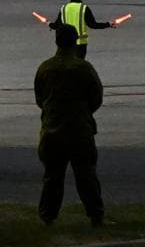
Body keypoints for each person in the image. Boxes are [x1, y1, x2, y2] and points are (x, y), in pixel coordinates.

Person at [35, 24, 106, 226]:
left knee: (52, 177)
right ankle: (96, 215)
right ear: (75, 42)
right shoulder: (84, 68)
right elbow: (96, 97)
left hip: (52, 130)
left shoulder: (45, 68)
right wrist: (82, 112)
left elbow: (40, 98)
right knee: (86, 176)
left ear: (56, 41)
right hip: (79, 130)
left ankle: (47, 217)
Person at [48, 0, 114, 58]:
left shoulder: (64, 8)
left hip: (66, 43)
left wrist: (49, 23)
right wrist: (108, 24)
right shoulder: (84, 8)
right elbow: (93, 25)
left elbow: (56, 25)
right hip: (81, 44)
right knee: (79, 63)